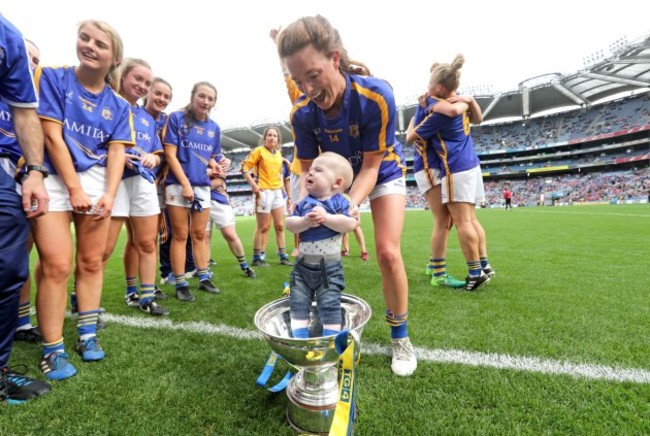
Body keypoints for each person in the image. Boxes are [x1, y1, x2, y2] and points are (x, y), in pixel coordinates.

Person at [277, 15, 416, 376]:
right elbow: (307, 174)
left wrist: (347, 208)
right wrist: (306, 227)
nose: (307, 88)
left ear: (334, 59)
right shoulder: (303, 114)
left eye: (313, 75)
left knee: (387, 251)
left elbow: (370, 166)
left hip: (379, 173)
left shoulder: (375, 95)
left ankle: (399, 335)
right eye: (297, 80)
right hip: (333, 183)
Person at [31, 19, 132, 380]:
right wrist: (73, 187)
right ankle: (52, 350)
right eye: (84, 38)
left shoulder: (119, 105)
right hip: (54, 178)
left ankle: (87, 333)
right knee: (57, 265)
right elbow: (52, 136)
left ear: (113, 57)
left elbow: (117, 152)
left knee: (91, 263)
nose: (89, 46)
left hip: (96, 182)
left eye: (100, 44)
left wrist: (108, 192)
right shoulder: (53, 77)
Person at [406, 54, 495, 292]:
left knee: (455, 220)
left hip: (453, 166)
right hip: (435, 166)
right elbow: (473, 116)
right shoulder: (450, 105)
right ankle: (441, 270)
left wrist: (433, 104)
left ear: (438, 87)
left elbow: (410, 134)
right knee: (448, 221)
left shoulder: (439, 109)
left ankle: (464, 268)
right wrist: (468, 100)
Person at [0, 13, 51, 404]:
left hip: (5, 170)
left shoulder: (8, 35)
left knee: (9, 268)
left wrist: (34, 171)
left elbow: (23, 110)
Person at [102, 58, 168, 316]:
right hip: (113, 180)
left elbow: (157, 153)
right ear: (123, 75)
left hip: (143, 182)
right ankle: (83, 298)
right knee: (105, 247)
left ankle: (146, 297)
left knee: (147, 242)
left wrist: (155, 158)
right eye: (137, 79)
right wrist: (115, 156)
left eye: (147, 83)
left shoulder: (146, 118)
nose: (142, 86)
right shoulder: (106, 104)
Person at [0, 38, 44, 344]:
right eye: (27, 55)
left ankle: (21, 321)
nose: (30, 62)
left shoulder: (28, 104)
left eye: (36, 60)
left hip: (19, 178)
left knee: (18, 257)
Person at [162, 81, 223, 302]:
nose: (206, 102)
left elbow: (212, 157)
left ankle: (204, 277)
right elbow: (170, 155)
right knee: (180, 235)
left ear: (214, 103)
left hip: (202, 186)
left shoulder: (214, 128)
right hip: (178, 184)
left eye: (210, 98)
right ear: (193, 96)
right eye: (202, 96)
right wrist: (185, 184)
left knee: (199, 234)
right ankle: (180, 282)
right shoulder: (176, 119)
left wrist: (215, 165)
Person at [286, 152, 357, 338]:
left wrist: (326, 218)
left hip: (329, 269)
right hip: (302, 267)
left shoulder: (340, 203)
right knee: (298, 303)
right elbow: (289, 224)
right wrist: (304, 223)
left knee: (329, 303)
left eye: (318, 170)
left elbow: (350, 224)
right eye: (310, 170)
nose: (310, 173)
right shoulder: (303, 204)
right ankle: (301, 343)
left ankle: (330, 343)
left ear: (337, 183)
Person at [143, 78, 198, 286]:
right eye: (158, 93)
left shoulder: (167, 120)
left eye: (166, 96)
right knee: (152, 235)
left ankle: (171, 272)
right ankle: (164, 273)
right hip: (138, 179)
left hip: (161, 182)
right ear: (148, 92)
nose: (161, 99)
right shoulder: (133, 115)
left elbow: (172, 151)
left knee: (171, 231)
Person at [241, 126, 293, 267]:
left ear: (278, 140)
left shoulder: (278, 154)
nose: (272, 138)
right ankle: (257, 258)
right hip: (264, 192)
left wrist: (285, 160)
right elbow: (244, 168)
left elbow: (276, 160)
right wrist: (254, 186)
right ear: (264, 138)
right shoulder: (258, 151)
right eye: (269, 135)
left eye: (275, 136)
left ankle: (283, 256)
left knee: (280, 225)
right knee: (263, 226)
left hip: (277, 192)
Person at [204, 174, 256, 279]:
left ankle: (244, 266)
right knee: (204, 238)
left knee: (230, 235)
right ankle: (204, 270)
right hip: (200, 201)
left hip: (219, 200)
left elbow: (219, 180)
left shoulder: (218, 157)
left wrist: (196, 186)